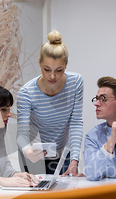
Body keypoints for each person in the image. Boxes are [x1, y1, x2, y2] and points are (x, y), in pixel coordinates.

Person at [16, 30, 84, 176]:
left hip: (63, 154)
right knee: (37, 196)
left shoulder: (76, 83)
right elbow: (22, 134)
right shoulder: (27, 93)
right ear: (39, 63)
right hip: (33, 155)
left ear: (66, 65)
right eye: (47, 70)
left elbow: (76, 123)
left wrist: (75, 159)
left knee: (64, 195)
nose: (52, 76)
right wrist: (28, 150)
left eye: (58, 70)